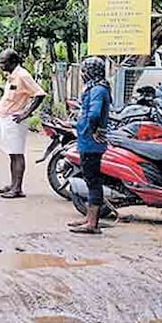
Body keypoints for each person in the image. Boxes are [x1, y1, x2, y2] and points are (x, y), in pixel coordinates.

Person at [0, 49, 46, 199]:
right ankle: (13, 184)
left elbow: (40, 94)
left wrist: (26, 113)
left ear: (14, 62)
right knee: (11, 153)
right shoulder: (12, 76)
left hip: (15, 121)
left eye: (4, 62)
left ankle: (17, 188)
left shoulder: (23, 75)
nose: (1, 65)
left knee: (17, 154)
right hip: (7, 118)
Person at [68, 57, 112, 234]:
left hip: (90, 142)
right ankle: (89, 217)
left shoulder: (97, 90)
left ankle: (92, 223)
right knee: (90, 179)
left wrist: (93, 130)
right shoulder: (99, 88)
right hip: (87, 140)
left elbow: (93, 114)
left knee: (93, 181)